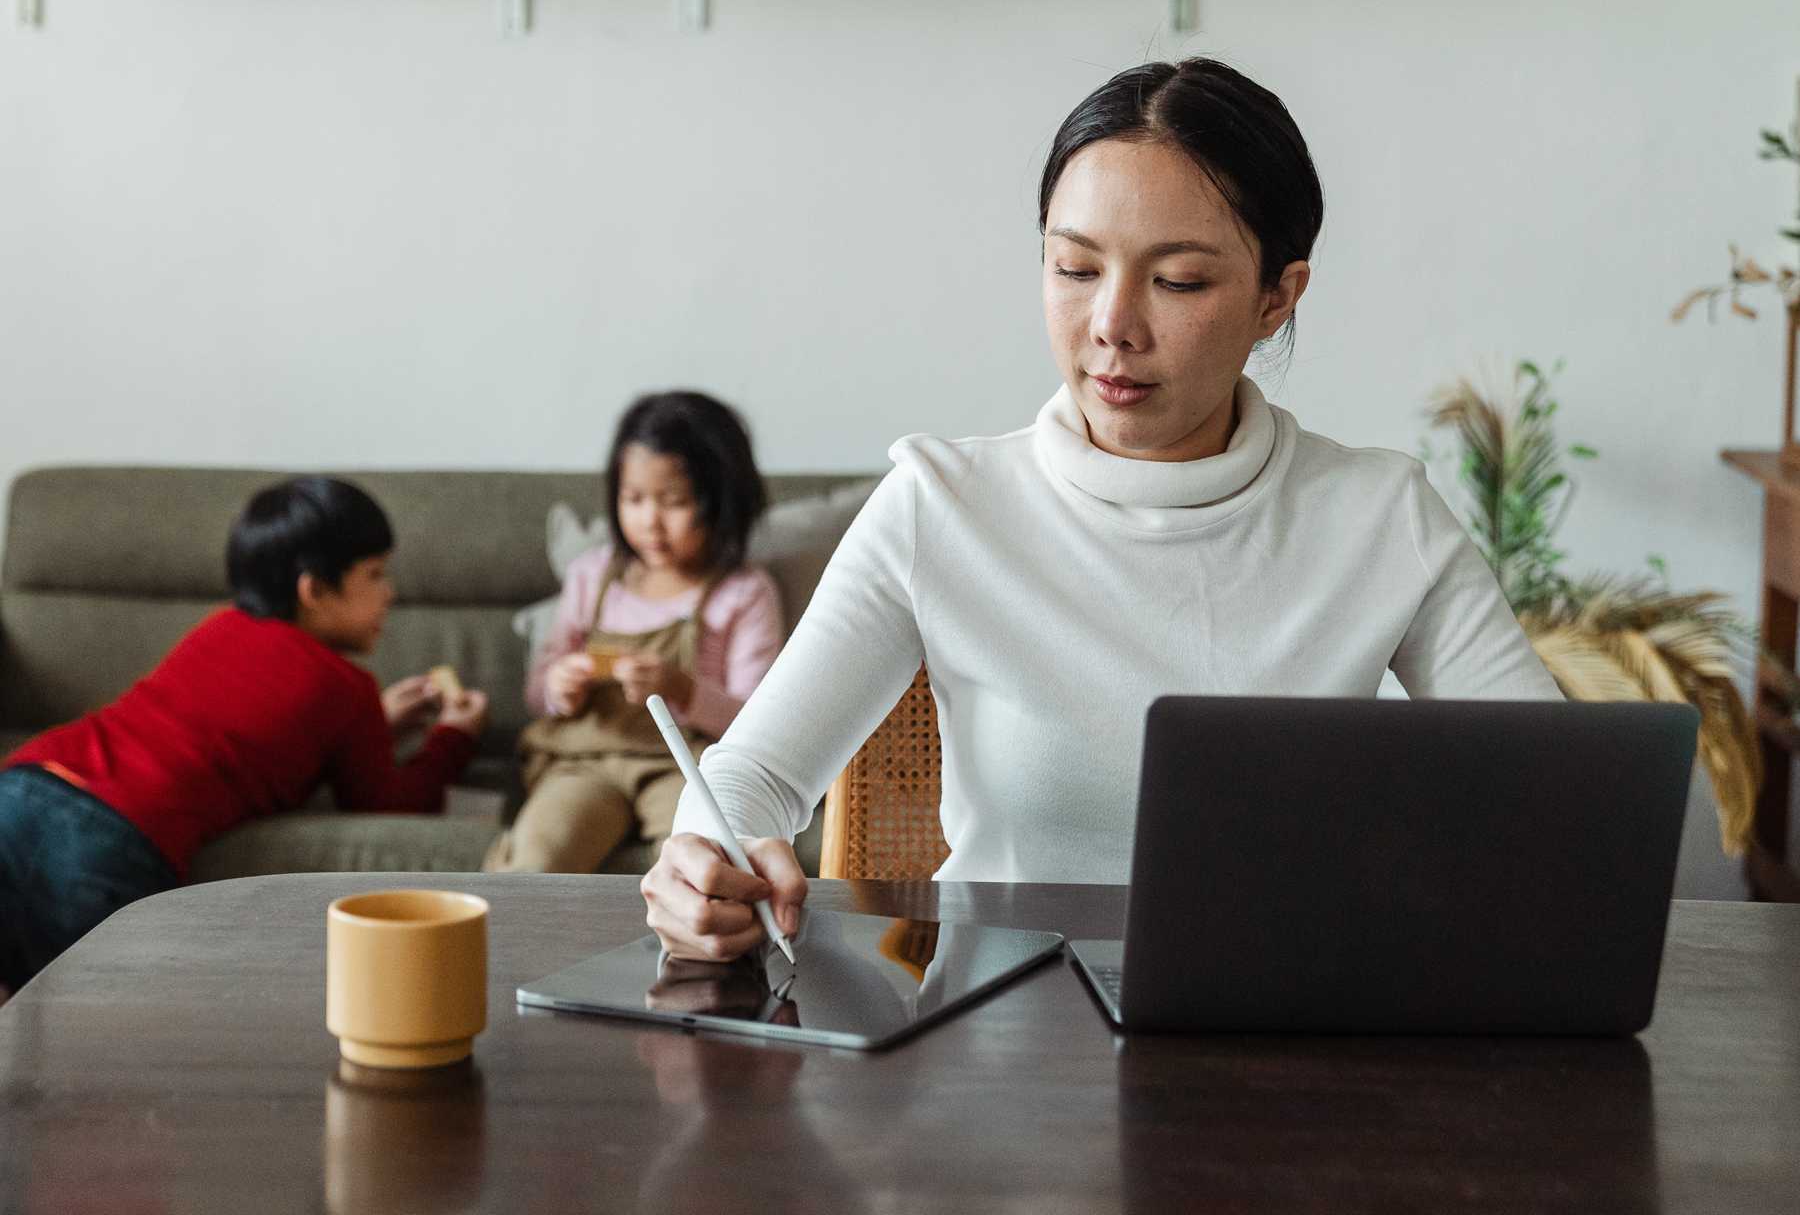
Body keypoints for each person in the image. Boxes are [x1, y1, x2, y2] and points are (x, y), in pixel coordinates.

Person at [642, 55, 1565, 961]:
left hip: (1288, 1044)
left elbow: (1555, 792)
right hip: (1004, 1058)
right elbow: (752, 775)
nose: (1112, 325)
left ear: (1277, 296)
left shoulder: (1378, 516)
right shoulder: (942, 506)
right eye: (1076, 269)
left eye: (1180, 281)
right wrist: (704, 859)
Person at [0, 476, 488, 999]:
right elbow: (388, 804)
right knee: (109, 1019)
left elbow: (239, 724)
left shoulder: (220, 626)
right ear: (314, 590)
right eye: (375, 574)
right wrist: (452, 739)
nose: (390, 593)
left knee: (22, 1011)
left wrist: (377, 724)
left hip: (23, 787)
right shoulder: (346, 687)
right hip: (108, 836)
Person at [485, 391, 783, 874]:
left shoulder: (744, 593)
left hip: (684, 766)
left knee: (700, 867)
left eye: (675, 502)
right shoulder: (592, 576)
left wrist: (683, 689)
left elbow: (758, 723)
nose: (650, 521)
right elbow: (538, 694)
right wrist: (560, 686)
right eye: (634, 499)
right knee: (535, 859)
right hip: (586, 761)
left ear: (722, 501)